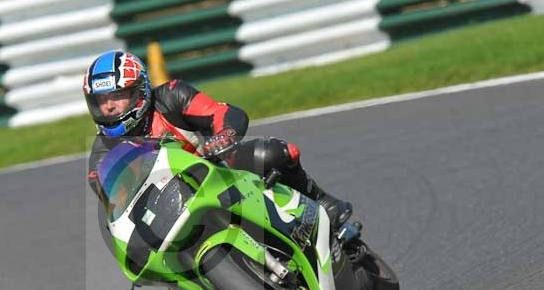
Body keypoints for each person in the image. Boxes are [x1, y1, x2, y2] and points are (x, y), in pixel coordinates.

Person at [85, 50, 352, 226]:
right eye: (101, 100)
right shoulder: (102, 151)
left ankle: (321, 202)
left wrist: (224, 136)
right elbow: (113, 200)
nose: (108, 107)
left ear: (139, 91)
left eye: (116, 96)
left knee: (274, 152)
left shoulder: (171, 96)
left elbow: (219, 112)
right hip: (171, 210)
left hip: (219, 172)